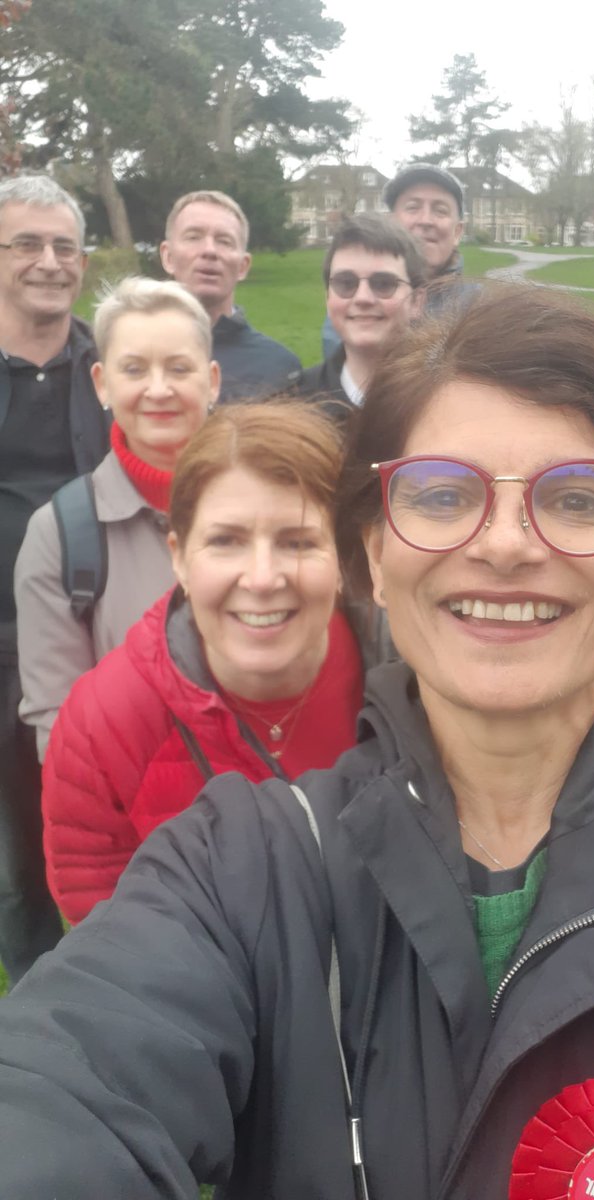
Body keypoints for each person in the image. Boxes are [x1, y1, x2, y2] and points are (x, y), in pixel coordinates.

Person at [4, 288, 594, 1200]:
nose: (506, 545)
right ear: (373, 556)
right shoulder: (239, 867)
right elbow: (67, 1087)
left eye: (581, 497)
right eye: (440, 493)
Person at [40, 401, 363, 925]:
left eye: (297, 541)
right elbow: (100, 913)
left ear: (344, 558)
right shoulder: (101, 724)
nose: (262, 578)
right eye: (225, 541)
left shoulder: (411, 677)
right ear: (179, 557)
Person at [15, 276, 219, 763]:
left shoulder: (274, 505)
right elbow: (61, 723)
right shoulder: (60, 536)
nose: (158, 389)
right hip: (141, 816)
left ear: (211, 380)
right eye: (134, 369)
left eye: (178, 367)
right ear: (102, 384)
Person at [0, 174, 108, 983]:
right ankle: (35, 997)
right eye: (26, 245)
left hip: (92, 639)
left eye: (63, 246)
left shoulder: (111, 373)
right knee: (17, 860)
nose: (47, 261)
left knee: (92, 833)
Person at [161, 190, 301, 401]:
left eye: (224, 241)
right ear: (168, 257)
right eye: (193, 237)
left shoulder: (278, 369)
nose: (209, 250)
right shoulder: (127, 356)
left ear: (243, 266)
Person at [321, 163, 469, 357]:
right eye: (412, 207)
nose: (425, 220)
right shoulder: (354, 297)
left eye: (440, 210)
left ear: (457, 232)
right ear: (391, 223)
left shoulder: (480, 310)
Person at [298, 214, 425, 415]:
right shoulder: (296, 405)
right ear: (327, 297)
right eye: (346, 283)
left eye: (384, 284)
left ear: (417, 301)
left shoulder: (446, 402)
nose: (363, 298)